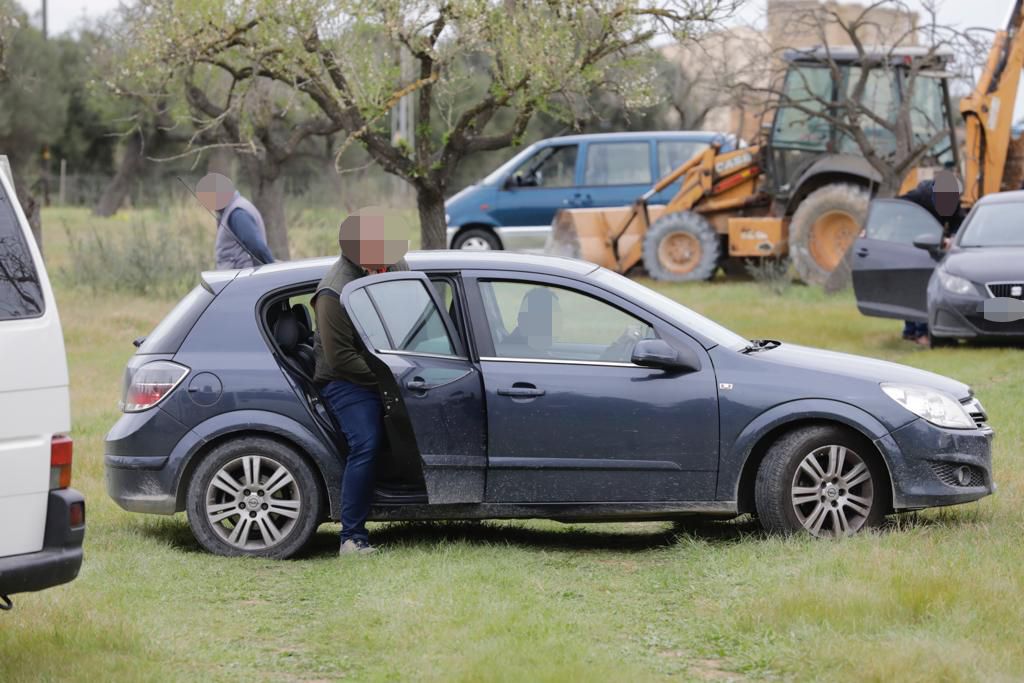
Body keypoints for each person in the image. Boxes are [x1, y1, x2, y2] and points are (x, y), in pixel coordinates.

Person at [311, 208, 409, 556]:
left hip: (390, 372)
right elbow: (341, 359)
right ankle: (351, 538)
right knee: (365, 442)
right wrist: (390, 382)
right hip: (347, 381)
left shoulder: (396, 266)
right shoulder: (333, 292)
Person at [896, 170, 965, 345]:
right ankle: (919, 333)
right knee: (917, 285)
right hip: (911, 242)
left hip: (933, 244)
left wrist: (955, 236)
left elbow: (959, 220)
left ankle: (912, 331)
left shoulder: (953, 199)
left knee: (924, 285)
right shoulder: (919, 196)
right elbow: (894, 206)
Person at [195, 173, 274, 270]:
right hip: (237, 278)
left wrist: (272, 268)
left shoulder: (237, 214)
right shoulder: (230, 210)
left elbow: (257, 247)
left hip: (243, 278)